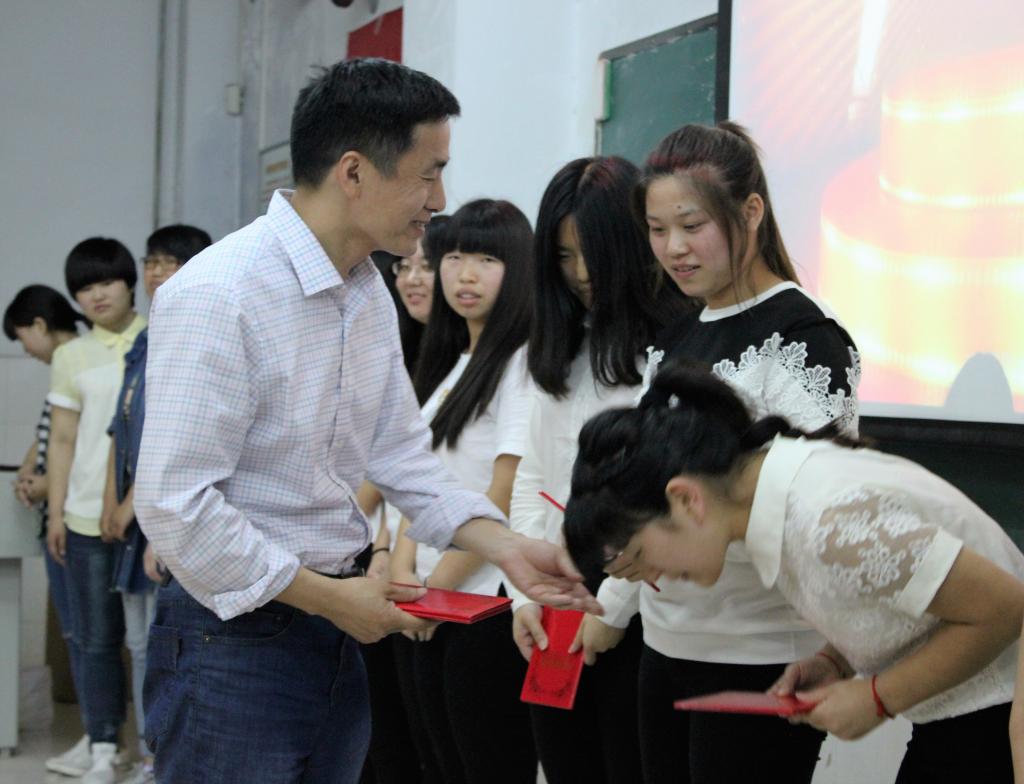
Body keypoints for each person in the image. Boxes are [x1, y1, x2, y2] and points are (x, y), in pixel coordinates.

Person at [134, 57, 596, 784]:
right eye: (428, 174)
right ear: (353, 172)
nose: (438, 200)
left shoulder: (364, 293)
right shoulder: (221, 293)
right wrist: (329, 600)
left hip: (338, 620)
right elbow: (176, 504)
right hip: (234, 640)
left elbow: (404, 459)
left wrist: (507, 548)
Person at [564, 363, 1024, 783]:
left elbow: (1004, 609)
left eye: (640, 552)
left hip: (993, 713)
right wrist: (834, 661)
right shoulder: (773, 495)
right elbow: (891, 586)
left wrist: (877, 697)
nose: (650, 575)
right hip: (962, 716)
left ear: (685, 499)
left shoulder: (826, 519)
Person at [578, 122, 860, 784]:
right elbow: (647, 483)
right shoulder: (676, 338)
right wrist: (615, 595)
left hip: (759, 651)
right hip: (666, 642)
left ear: (751, 212)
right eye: (657, 229)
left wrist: (670, 534)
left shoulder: (804, 336)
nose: (673, 248)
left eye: (691, 225)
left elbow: (811, 507)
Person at [508, 156, 688, 784]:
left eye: (593, 255)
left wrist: (612, 608)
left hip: (638, 597)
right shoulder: (561, 344)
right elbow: (532, 477)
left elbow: (666, 498)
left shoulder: (674, 347)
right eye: (563, 257)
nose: (581, 275)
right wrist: (523, 592)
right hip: (555, 591)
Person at [390, 198, 537, 783]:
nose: (464, 274)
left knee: (483, 765)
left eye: (485, 259)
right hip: (430, 597)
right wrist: (402, 568)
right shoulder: (456, 362)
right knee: (437, 764)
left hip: (480, 599)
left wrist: (434, 588)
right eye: (452, 257)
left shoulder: (521, 364)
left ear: (519, 270)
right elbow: (424, 483)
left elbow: (503, 491)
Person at [99, 224, 211, 784]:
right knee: (138, 642)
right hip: (136, 512)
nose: (157, 273)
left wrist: (135, 505)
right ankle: (151, 756)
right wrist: (112, 500)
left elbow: (178, 437)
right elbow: (121, 431)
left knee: (165, 646)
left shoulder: (199, 333)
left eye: (171, 262)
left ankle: (161, 757)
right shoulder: (144, 342)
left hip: (167, 510)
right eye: (152, 262)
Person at [47, 238, 148, 784]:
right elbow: (63, 441)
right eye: (84, 288)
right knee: (96, 639)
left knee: (149, 643)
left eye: (106, 281)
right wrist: (56, 513)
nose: (97, 295)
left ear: (130, 281)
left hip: (147, 520)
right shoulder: (71, 356)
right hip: (85, 517)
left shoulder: (158, 337)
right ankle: (105, 745)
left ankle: (153, 750)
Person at [359, 216, 447, 784]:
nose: (412, 278)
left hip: (427, 567)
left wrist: (388, 550)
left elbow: (409, 474)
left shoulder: (463, 363)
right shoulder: (405, 348)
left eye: (427, 266)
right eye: (404, 267)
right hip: (381, 557)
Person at [3, 285, 89, 776]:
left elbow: (79, 445)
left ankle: (101, 738)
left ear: (39, 325)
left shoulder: (80, 360)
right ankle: (94, 737)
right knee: (77, 634)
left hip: (74, 520)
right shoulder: (66, 366)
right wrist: (28, 469)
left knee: (85, 636)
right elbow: (50, 437)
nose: (25, 351)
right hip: (57, 516)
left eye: (22, 338)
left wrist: (44, 486)